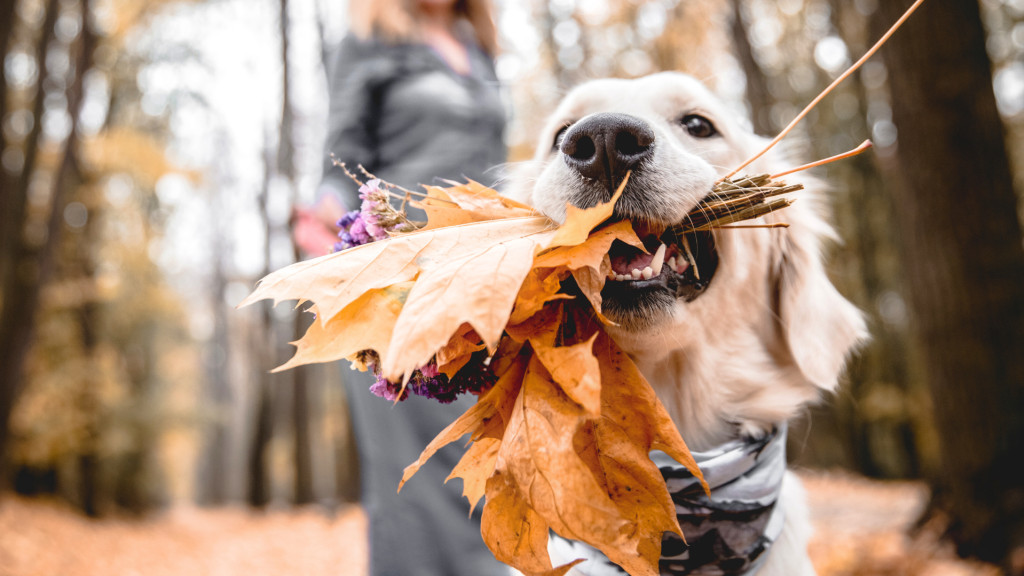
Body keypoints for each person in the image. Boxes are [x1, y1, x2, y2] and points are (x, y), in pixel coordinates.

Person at [299, 1, 509, 574]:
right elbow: (339, 157)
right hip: (396, 278)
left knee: (478, 459)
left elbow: (497, 166)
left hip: (478, 278)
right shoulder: (369, 39)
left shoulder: (477, 45)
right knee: (411, 471)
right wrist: (326, 214)